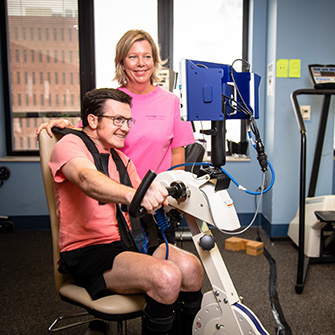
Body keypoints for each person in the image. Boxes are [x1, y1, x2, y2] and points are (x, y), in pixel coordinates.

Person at [47, 88, 203, 335]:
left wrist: (159, 197)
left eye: (128, 120)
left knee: (191, 267)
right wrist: (133, 194)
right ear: (92, 120)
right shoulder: (70, 145)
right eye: (117, 119)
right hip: (90, 251)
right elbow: (86, 179)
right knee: (166, 275)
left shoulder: (122, 160)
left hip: (129, 243)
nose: (126, 127)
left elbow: (143, 201)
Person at [37, 29, 195, 180]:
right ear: (122, 63)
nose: (141, 63)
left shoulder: (172, 102)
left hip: (158, 198)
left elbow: (178, 160)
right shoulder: (109, 101)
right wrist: (65, 126)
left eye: (147, 56)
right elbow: (85, 138)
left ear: (154, 61)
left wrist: (171, 196)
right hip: (116, 196)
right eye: (133, 57)